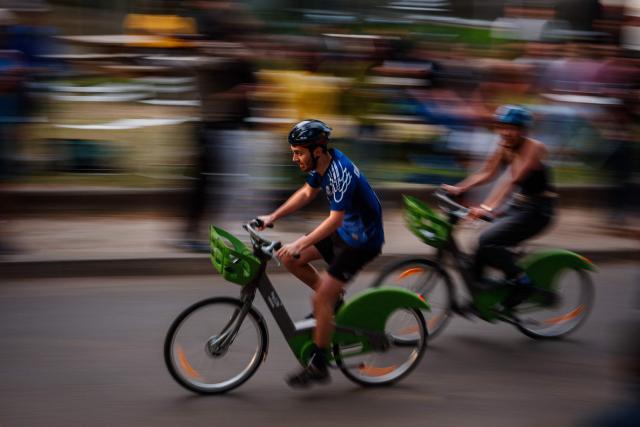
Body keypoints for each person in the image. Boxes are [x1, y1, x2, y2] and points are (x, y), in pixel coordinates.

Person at [257, 119, 384, 388]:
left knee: (319, 298)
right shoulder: (322, 163)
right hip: (344, 232)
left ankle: (319, 364)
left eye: (298, 152)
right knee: (288, 258)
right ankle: (332, 303)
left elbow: (335, 219)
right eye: (293, 152)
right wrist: (273, 216)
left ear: (317, 150)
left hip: (361, 241)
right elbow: (306, 193)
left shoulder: (340, 172)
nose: (294, 158)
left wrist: (301, 243)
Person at [442, 105, 556, 310]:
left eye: (513, 128)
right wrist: (459, 188)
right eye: (502, 127)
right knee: (479, 246)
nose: (506, 132)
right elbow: (486, 172)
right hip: (519, 205)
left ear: (524, 130)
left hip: (538, 210)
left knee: (488, 241)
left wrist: (486, 207)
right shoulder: (505, 146)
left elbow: (513, 179)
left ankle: (523, 284)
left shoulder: (534, 147)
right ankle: (478, 298)